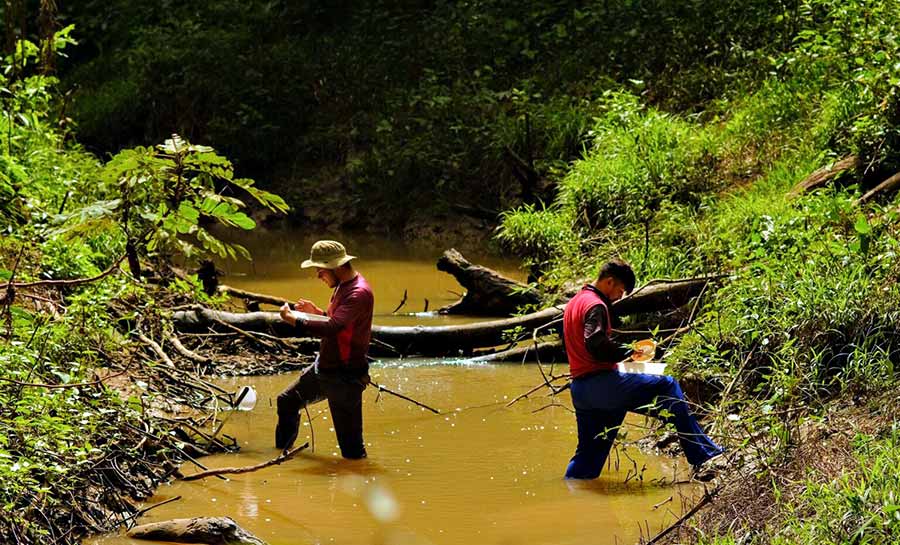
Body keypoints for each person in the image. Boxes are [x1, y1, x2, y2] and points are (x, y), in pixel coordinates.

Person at [563, 259, 723, 479]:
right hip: (602, 384)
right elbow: (595, 343)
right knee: (668, 384)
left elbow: (585, 348)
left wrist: (628, 359)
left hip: (581, 390)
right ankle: (704, 456)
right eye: (620, 291)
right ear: (609, 282)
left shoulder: (574, 303)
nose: (619, 297)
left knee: (587, 458)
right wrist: (628, 352)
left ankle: (572, 496)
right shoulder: (596, 305)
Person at [276, 240, 374, 459]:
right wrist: (317, 313)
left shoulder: (358, 293)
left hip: (344, 377)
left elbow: (332, 328)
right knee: (287, 401)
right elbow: (337, 323)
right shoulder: (342, 285)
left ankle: (360, 484)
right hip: (324, 368)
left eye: (320, 271)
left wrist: (294, 320)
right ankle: (280, 459)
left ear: (336, 267)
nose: (318, 276)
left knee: (352, 451)